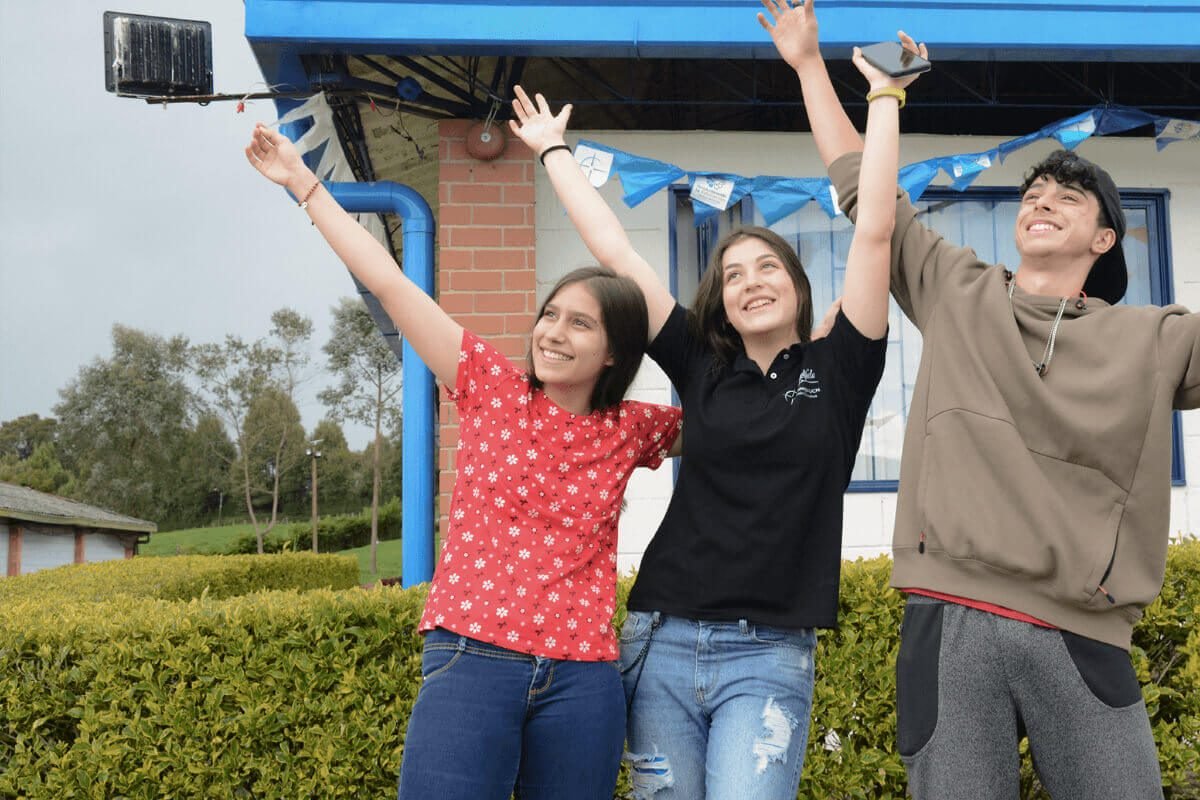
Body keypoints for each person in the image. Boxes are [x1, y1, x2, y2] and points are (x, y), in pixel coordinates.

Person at [776, 0, 1192, 796]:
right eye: (1035, 192)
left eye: (1069, 197)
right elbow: (864, 192)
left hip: (1084, 627)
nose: (1041, 200)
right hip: (950, 611)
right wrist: (806, 66)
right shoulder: (957, 290)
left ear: (1106, 239)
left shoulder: (1156, 337)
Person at [506, 14, 924, 797]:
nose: (751, 281)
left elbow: (874, 233)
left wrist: (884, 98)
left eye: (769, 267)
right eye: (733, 274)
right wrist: (554, 152)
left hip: (769, 657)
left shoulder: (840, 365)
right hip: (660, 640)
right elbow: (617, 253)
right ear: (721, 303)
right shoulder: (701, 364)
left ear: (798, 288)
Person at [244, 124, 682, 800]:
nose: (553, 333)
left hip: (584, 679)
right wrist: (306, 185)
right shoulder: (490, 385)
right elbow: (390, 283)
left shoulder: (633, 429)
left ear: (616, 351)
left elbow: (738, 420)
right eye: (551, 315)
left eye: (580, 324)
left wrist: (806, 356)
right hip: (472, 656)